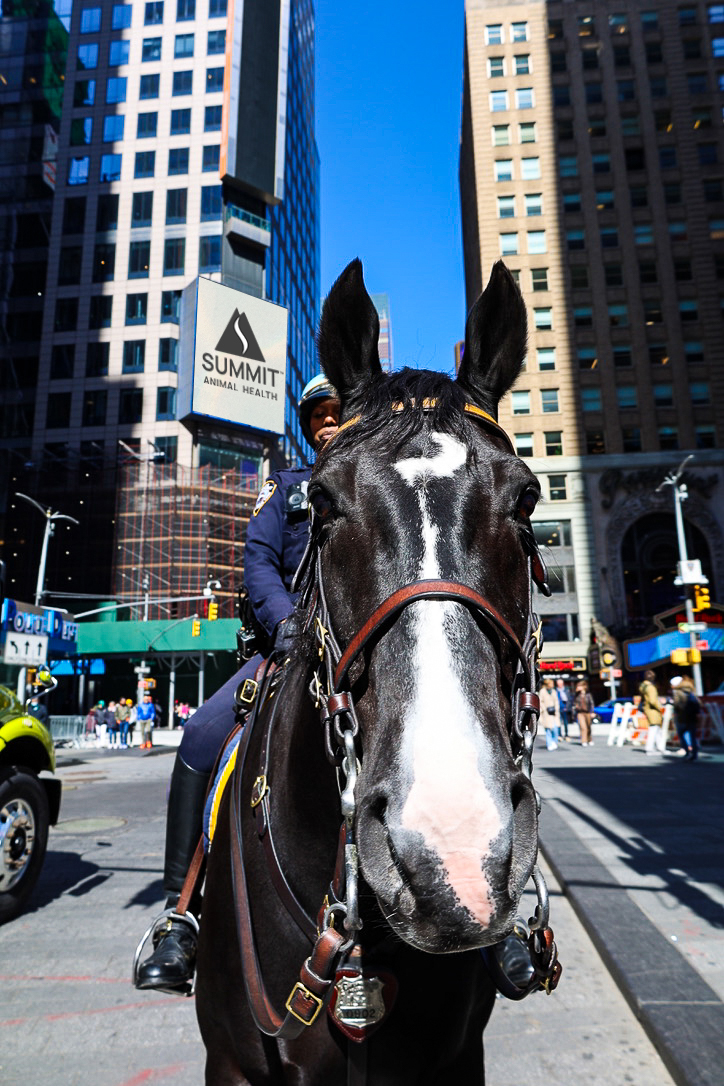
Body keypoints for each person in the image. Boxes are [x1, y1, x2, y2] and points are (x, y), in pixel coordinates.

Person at [135, 375, 341, 993]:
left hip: (366, 649)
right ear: (306, 427)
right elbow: (257, 561)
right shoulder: (287, 487)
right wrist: (284, 627)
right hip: (290, 648)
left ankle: (493, 920)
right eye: (317, 417)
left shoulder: (380, 479)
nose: (327, 423)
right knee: (200, 736)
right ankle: (181, 913)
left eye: (337, 412)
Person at [670, 675, 700, 761]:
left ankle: (687, 750)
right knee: (692, 735)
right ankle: (694, 753)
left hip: (682, 716)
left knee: (681, 733)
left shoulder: (677, 692)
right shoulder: (691, 690)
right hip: (692, 716)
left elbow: (676, 704)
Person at [639, 670, 664, 756]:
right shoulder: (650, 687)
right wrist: (659, 707)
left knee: (656, 729)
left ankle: (660, 747)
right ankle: (650, 748)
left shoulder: (643, 686)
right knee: (654, 729)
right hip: (653, 710)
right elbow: (653, 700)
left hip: (647, 709)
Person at [539, 677, 560, 750]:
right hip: (546, 713)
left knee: (555, 729)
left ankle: (554, 741)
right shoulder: (542, 691)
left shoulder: (553, 691)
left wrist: (556, 709)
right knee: (548, 730)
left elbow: (556, 701)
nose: (552, 685)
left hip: (554, 713)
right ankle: (549, 744)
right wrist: (544, 709)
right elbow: (540, 701)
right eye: (551, 683)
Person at [575, 680, 595, 746]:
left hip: (587, 712)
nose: (578, 687)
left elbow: (592, 703)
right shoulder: (577, 694)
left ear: (584, 687)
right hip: (580, 713)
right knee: (583, 727)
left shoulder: (588, 694)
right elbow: (574, 703)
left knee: (588, 727)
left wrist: (592, 712)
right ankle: (584, 741)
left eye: (580, 686)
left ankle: (589, 739)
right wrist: (576, 707)